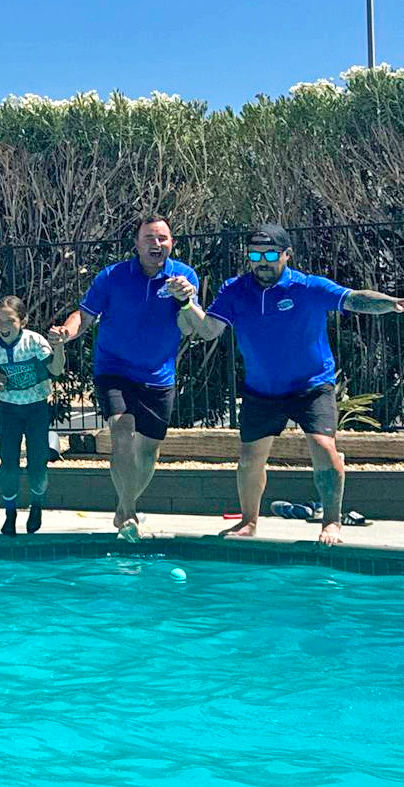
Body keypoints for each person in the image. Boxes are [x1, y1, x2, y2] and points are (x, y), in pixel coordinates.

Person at [172, 222, 404, 546]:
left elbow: (354, 299)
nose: (262, 261)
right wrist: (186, 303)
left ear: (286, 255)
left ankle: (332, 522)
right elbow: (207, 330)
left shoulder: (307, 287)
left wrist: (393, 303)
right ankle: (248, 522)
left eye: (269, 254)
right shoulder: (235, 290)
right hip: (262, 390)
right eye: (255, 254)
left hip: (312, 385)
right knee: (250, 458)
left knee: (324, 448)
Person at [50, 215, 199, 540]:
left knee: (148, 453)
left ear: (171, 243)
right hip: (113, 368)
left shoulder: (184, 276)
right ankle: (129, 511)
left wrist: (185, 299)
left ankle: (124, 505)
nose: (156, 244)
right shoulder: (113, 277)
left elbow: (192, 328)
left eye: (162, 238)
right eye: (149, 238)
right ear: (136, 243)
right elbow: (85, 316)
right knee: (121, 429)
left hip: (159, 375)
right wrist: (67, 332)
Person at [0, 296, 67, 535]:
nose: (2, 326)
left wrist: (59, 347)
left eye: (9, 320)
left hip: (36, 409)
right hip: (8, 410)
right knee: (8, 464)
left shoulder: (34, 342)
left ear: (23, 321)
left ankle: (36, 504)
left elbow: (56, 370)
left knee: (37, 465)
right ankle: (10, 513)